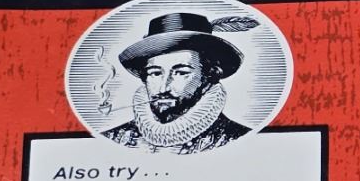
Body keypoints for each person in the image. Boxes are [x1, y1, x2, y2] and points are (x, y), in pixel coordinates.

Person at [102, 12, 252, 153]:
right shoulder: (113, 138)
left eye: (181, 73)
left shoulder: (239, 139)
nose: (163, 88)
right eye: (155, 73)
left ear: (210, 76)